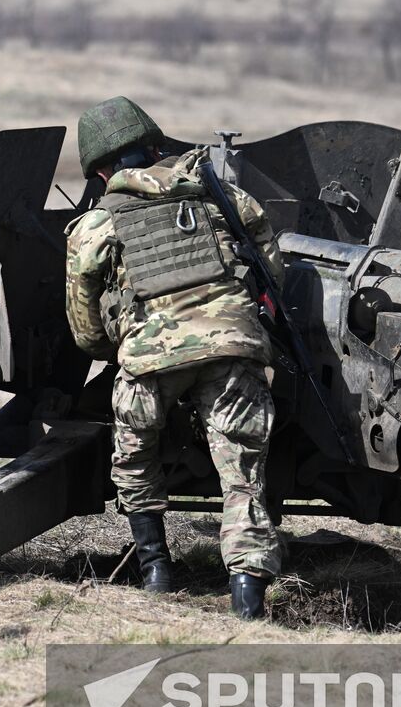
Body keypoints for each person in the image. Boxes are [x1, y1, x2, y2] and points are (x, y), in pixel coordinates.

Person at [63, 97, 286, 618]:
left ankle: (157, 571)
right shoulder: (220, 197)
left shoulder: (96, 226)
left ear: (99, 171)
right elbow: (266, 255)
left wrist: (117, 348)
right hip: (232, 346)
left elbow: (83, 325)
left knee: (135, 456)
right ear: (159, 148)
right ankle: (248, 598)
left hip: (147, 358)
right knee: (242, 473)